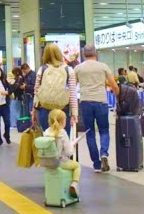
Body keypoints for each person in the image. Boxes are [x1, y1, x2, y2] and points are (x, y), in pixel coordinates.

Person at [74, 44, 115, 173]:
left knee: (89, 133)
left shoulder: (78, 68)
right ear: (95, 53)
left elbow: (72, 86)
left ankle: (96, 164)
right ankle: (104, 153)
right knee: (104, 130)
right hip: (101, 101)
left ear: (83, 54)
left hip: (86, 102)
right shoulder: (103, 67)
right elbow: (113, 84)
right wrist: (118, 94)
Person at [32, 43, 78, 134]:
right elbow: (72, 94)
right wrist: (74, 114)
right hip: (62, 110)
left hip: (44, 109)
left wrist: (33, 111)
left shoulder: (42, 70)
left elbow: (36, 92)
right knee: (63, 139)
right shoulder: (69, 70)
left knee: (47, 140)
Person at [45, 109, 80, 198]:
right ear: (62, 121)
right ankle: (74, 184)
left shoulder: (46, 132)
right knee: (77, 166)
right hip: (60, 162)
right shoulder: (63, 133)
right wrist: (72, 146)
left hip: (48, 162)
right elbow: (69, 152)